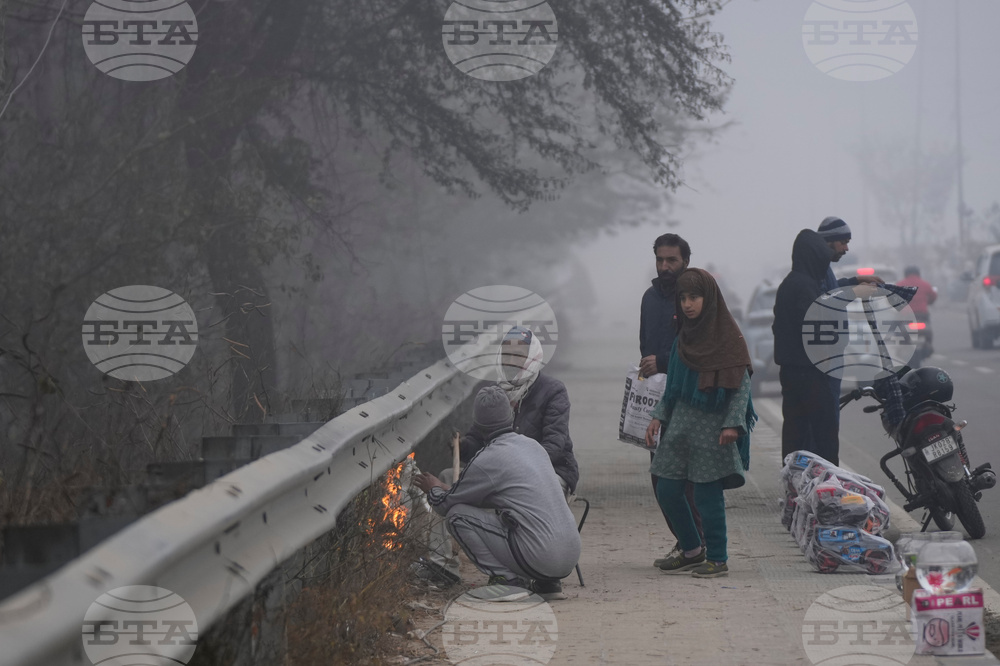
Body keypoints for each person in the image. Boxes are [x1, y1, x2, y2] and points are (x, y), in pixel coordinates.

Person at [414, 386, 582, 601]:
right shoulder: (533, 447)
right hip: (570, 554)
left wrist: (433, 488)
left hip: (540, 556)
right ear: (511, 416)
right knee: (517, 518)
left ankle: (507, 582)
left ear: (477, 423)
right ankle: (547, 584)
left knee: (457, 516)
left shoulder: (486, 460)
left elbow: (445, 505)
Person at [643, 268, 756, 579]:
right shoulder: (684, 340)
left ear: (710, 298)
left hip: (713, 426)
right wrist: (657, 417)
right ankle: (692, 550)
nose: (688, 304)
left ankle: (718, 559)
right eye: (683, 298)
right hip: (680, 426)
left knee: (707, 494)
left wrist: (733, 424)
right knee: (666, 487)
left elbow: (741, 385)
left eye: (694, 297)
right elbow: (673, 387)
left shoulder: (728, 338)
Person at [639, 233, 705, 565]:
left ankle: (698, 545)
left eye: (672, 261)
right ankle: (687, 542)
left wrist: (664, 362)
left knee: (687, 478)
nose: (665, 267)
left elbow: (701, 348)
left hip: (691, 401)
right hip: (656, 401)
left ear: (686, 262)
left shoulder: (696, 299)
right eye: (660, 260)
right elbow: (644, 347)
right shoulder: (650, 298)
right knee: (659, 476)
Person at [460, 326, 579, 497]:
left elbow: (554, 446)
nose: (510, 361)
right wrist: (462, 446)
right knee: (451, 481)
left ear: (532, 358)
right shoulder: (495, 392)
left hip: (550, 470)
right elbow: (477, 440)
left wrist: (515, 467)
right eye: (506, 354)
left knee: (520, 494)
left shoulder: (553, 391)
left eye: (518, 355)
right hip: (502, 473)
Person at [773, 229, 842, 465]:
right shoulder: (805, 286)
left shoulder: (790, 284)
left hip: (791, 371)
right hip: (810, 372)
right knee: (825, 436)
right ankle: (831, 484)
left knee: (795, 434)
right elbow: (814, 329)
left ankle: (794, 485)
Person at [816, 216, 884, 419]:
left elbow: (831, 289)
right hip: (825, 358)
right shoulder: (817, 268)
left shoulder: (824, 267)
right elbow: (824, 300)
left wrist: (855, 280)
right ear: (829, 241)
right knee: (825, 421)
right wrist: (855, 291)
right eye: (843, 243)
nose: (846, 249)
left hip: (833, 357)